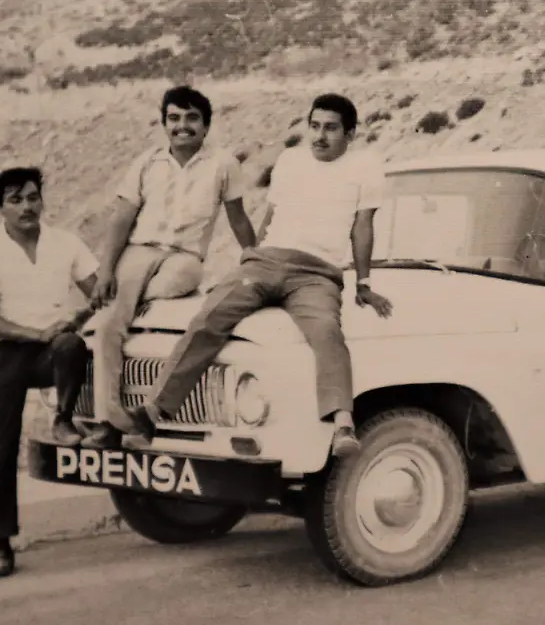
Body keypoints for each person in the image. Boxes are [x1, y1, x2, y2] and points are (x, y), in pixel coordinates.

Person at [117, 92, 393, 458]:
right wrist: (250, 256)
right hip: (266, 261)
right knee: (210, 317)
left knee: (326, 330)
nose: (319, 136)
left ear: (350, 134)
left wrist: (364, 283)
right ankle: (153, 412)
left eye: (330, 128)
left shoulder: (366, 166)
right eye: (314, 126)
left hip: (317, 273)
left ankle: (343, 424)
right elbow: (270, 217)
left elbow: (363, 227)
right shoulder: (291, 160)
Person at [80, 85, 258, 450]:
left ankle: (132, 307)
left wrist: (255, 258)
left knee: (176, 282)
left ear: (206, 126)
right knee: (111, 324)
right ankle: (110, 421)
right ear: (164, 124)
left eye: (192, 118)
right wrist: (107, 271)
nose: (183, 126)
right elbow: (121, 219)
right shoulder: (147, 162)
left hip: (184, 256)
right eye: (174, 118)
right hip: (138, 250)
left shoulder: (223, 164)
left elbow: (238, 219)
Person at [0, 167, 100, 578]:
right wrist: (35, 333)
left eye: (32, 197)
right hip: (4, 356)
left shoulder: (66, 243)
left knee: (72, 344)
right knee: (1, 452)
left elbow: (101, 292)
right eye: (15, 200)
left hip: (51, 353)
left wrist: (77, 319)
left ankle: (62, 417)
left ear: (42, 199)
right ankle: (1, 544)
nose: (26, 207)